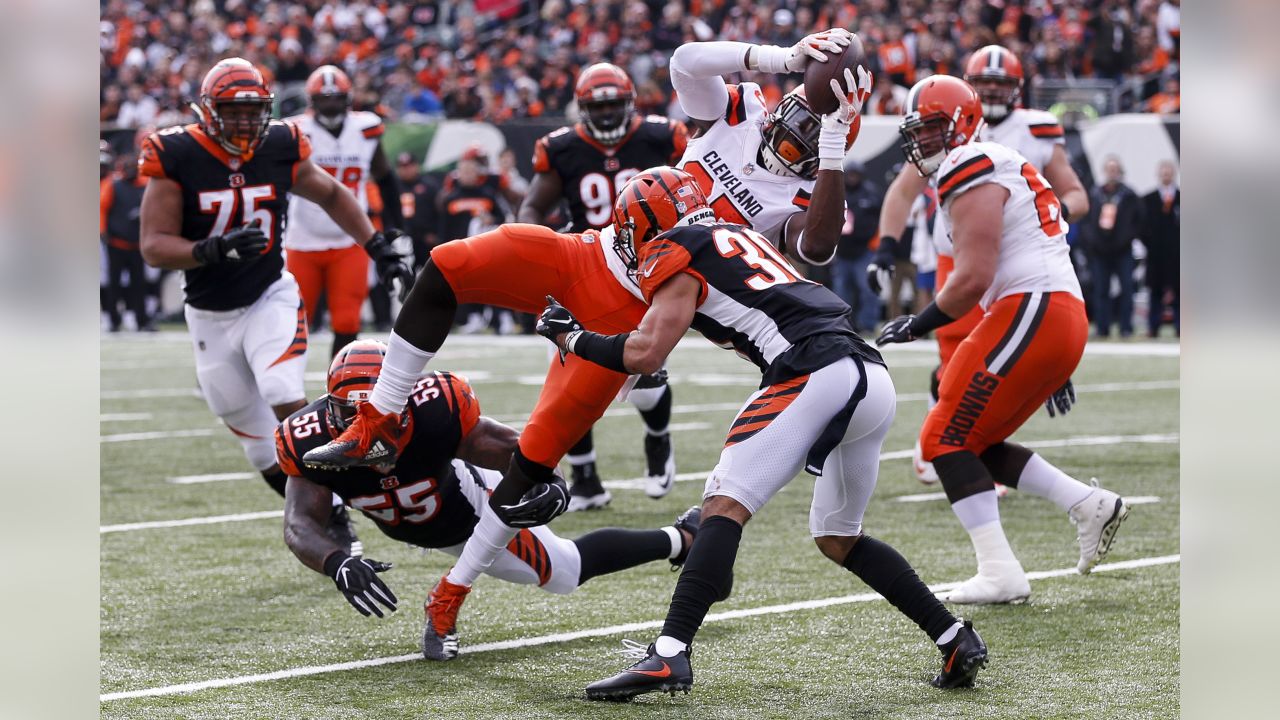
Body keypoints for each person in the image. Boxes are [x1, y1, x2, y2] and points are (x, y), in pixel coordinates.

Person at [537, 168, 985, 700]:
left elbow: (645, 352)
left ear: (648, 223)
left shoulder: (675, 248)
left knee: (721, 507)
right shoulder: (740, 235)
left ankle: (669, 655)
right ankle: (954, 637)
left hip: (812, 372)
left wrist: (574, 337)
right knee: (840, 535)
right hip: (869, 373)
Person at [278, 340, 706, 658]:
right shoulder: (307, 439)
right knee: (561, 570)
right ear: (328, 410)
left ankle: (683, 537)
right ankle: (447, 596)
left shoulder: (436, 408)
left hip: (471, 498)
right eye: (348, 416)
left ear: (402, 400)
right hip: (427, 524)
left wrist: (552, 481)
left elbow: (512, 447)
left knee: (565, 571)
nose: (364, 429)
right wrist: (339, 562)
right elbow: (300, 524)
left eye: (373, 413)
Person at [138, 58, 414, 549]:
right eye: (233, 111)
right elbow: (154, 246)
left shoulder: (280, 145)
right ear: (208, 110)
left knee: (281, 386)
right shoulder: (177, 153)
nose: (245, 122)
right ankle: (323, 517)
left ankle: (356, 505)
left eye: (253, 111)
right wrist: (211, 249)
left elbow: (332, 193)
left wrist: (375, 245)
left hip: (269, 294)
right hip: (208, 313)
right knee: (259, 447)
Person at [875, 75, 1129, 604]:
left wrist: (915, 323)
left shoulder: (971, 163)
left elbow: (972, 276)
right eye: (915, 133)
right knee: (971, 438)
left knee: (942, 437)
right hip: (1041, 312)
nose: (920, 143)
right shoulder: (980, 162)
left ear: (961, 124)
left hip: (1032, 308)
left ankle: (1000, 570)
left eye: (931, 130)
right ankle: (1086, 503)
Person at [874, 45, 1091, 483]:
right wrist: (887, 245)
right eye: (984, 84)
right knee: (959, 357)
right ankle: (946, 440)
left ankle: (952, 443)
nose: (991, 91)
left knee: (990, 358)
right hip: (957, 257)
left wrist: (1044, 217)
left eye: (1000, 84)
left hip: (1018, 262)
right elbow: (902, 191)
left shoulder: (1034, 129)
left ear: (1017, 88)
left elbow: (1076, 195)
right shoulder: (940, 127)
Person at [518, 62, 691, 508]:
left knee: (646, 372)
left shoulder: (660, 136)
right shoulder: (562, 148)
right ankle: (587, 479)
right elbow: (533, 207)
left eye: (615, 104)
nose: (609, 113)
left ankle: (657, 439)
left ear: (630, 101)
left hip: (646, 268)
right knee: (573, 370)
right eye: (599, 106)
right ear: (582, 107)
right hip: (585, 263)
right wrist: (539, 252)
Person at [668, 30, 870, 264]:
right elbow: (683, 63)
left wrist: (833, 137)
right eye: (798, 118)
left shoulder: (810, 197)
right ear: (782, 106)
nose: (796, 135)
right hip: (643, 244)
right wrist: (780, 59)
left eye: (816, 131)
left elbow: (816, 248)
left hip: (699, 287)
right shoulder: (741, 114)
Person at [284, 66, 407, 361]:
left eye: (336, 97)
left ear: (348, 98)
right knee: (291, 323)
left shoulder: (366, 129)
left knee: (347, 320)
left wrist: (398, 226)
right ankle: (282, 388)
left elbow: (385, 177)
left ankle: (338, 390)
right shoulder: (296, 131)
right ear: (312, 100)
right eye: (323, 98)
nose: (330, 104)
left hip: (351, 240)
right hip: (302, 239)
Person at [438, 144, 524, 335]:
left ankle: (503, 318)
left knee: (497, 282)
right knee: (469, 284)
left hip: (488, 246)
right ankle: (475, 318)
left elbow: (505, 212)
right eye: (467, 168)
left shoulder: (489, 189)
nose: (471, 172)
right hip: (462, 246)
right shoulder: (452, 194)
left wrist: (492, 219)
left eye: (476, 165)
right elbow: (445, 223)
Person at [1080, 155, 1142, 338]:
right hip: (1100, 251)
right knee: (1101, 290)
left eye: (1115, 169)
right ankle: (1102, 328)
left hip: (1123, 251)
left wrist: (1127, 238)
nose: (1112, 173)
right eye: (1109, 169)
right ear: (1104, 172)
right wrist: (1093, 242)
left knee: (1127, 289)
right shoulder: (1095, 194)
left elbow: (1139, 221)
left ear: (1120, 172)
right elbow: (1086, 221)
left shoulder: (1129, 195)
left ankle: (1125, 328)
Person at [100, 151, 152, 331]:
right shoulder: (113, 185)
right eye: (128, 167)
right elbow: (102, 208)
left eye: (133, 167)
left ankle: (142, 320)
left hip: (138, 243)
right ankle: (113, 320)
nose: (131, 170)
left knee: (139, 284)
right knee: (114, 283)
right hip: (116, 242)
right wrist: (102, 231)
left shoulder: (146, 186)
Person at [829, 159, 882, 333]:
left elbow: (880, 219)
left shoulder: (870, 193)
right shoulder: (836, 193)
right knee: (841, 293)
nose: (852, 178)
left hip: (864, 250)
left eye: (855, 175)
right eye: (849, 175)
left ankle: (867, 324)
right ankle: (844, 326)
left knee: (868, 289)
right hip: (842, 251)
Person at [1140, 160, 1179, 337]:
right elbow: (1142, 227)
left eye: (1169, 172)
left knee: (1180, 290)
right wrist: (1150, 243)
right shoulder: (1148, 199)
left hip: (1178, 254)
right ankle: (1153, 326)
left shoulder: (1181, 197)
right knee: (1155, 291)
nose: (1166, 175)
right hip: (1155, 253)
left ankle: (1181, 327)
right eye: (1163, 172)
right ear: (1158, 174)